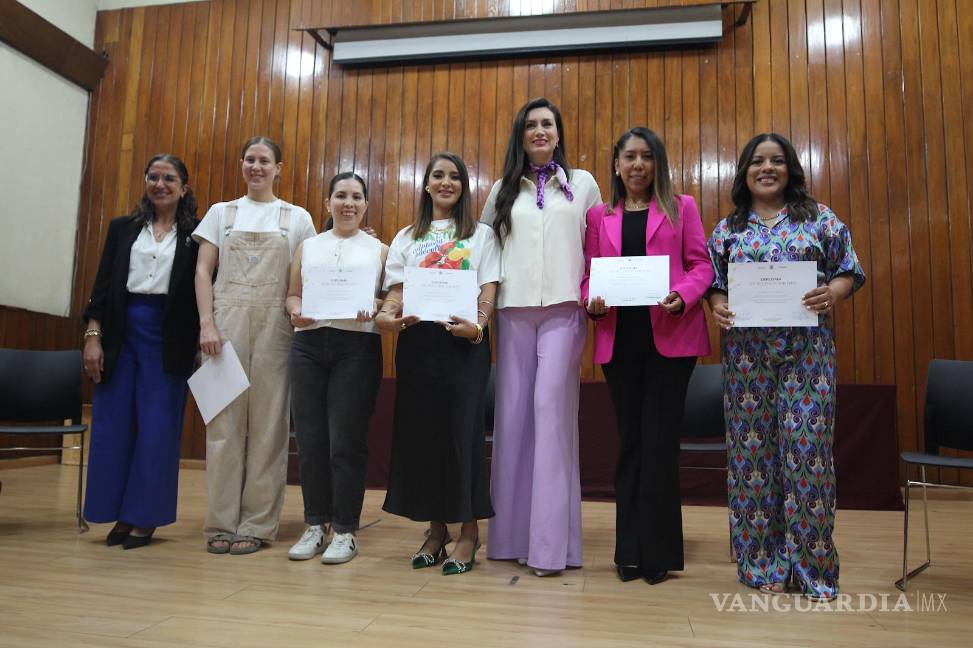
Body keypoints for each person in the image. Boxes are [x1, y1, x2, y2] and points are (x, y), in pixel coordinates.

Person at [706, 133, 865, 602]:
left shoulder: (819, 219)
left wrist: (832, 293)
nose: (767, 169)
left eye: (776, 161)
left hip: (808, 355)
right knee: (752, 462)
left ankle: (814, 567)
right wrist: (717, 304)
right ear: (745, 172)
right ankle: (761, 565)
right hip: (746, 362)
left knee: (807, 457)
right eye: (758, 162)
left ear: (790, 169)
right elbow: (713, 282)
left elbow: (849, 269)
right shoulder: (728, 229)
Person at [582, 127, 713, 584]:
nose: (637, 165)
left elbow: (702, 265)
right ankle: (628, 551)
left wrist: (683, 294)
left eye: (646, 157)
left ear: (657, 163)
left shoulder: (683, 207)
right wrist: (590, 301)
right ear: (616, 165)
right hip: (619, 343)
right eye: (628, 157)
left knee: (660, 445)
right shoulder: (600, 215)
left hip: (671, 341)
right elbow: (588, 275)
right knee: (631, 445)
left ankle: (657, 554)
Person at [480, 98, 601, 576]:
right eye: (530, 124)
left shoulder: (584, 185)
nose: (539, 130)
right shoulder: (502, 189)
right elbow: (483, 251)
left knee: (551, 418)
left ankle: (552, 547)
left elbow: (602, 245)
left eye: (547, 123)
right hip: (511, 314)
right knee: (512, 421)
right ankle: (508, 538)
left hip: (564, 313)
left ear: (558, 131)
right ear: (520, 134)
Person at [376, 152, 499, 575]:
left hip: (464, 344)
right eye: (438, 176)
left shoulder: (480, 234)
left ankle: (468, 531)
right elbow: (395, 292)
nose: (446, 183)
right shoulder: (407, 236)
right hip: (417, 344)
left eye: (454, 177)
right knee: (424, 438)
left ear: (463, 186)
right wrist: (389, 317)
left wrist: (479, 327)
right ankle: (435, 530)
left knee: (461, 436)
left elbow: (488, 288)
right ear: (426, 184)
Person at [194, 136, 316, 555]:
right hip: (224, 327)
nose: (256, 167)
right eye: (250, 159)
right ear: (242, 164)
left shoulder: (297, 218)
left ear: (279, 168)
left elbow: (307, 272)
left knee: (268, 426)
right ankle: (221, 523)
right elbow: (202, 271)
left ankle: (258, 524)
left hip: (276, 327)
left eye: (265, 161)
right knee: (224, 425)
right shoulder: (219, 213)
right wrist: (206, 324)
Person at [81, 154, 200, 549]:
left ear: (184, 187)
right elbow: (100, 289)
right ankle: (117, 512)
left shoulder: (196, 235)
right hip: (119, 334)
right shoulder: (122, 229)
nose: (160, 184)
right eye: (153, 177)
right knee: (113, 427)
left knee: (157, 429)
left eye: (169, 178)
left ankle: (143, 516)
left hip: (168, 340)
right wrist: (93, 336)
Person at [285, 172, 387, 564]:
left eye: (356, 197)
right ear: (328, 202)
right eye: (341, 196)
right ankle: (315, 524)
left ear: (365, 205)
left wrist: (376, 307)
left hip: (357, 346)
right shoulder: (308, 247)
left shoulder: (380, 249)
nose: (348, 203)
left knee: (345, 441)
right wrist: (296, 311)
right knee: (310, 440)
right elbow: (292, 296)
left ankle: (345, 529)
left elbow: (388, 299)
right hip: (309, 345)